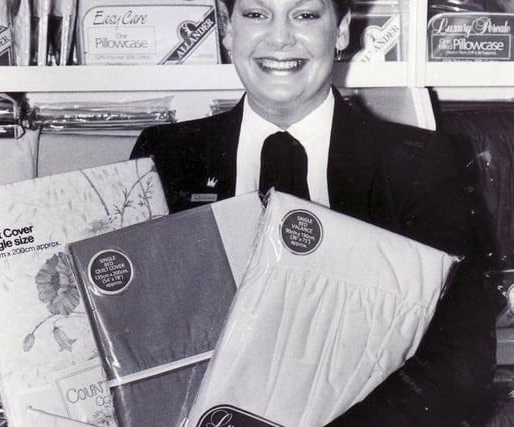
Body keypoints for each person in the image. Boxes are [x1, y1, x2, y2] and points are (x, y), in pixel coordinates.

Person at [131, 0, 501, 425]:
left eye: (305, 15)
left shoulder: (421, 164)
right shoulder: (165, 156)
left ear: (342, 31)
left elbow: (462, 357)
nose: (280, 37)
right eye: (256, 14)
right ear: (226, 30)